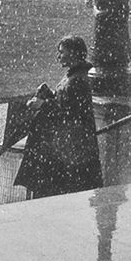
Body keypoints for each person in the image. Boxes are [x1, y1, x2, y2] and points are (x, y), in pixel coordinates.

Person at [14, 35, 103, 198]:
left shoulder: (78, 79)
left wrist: (42, 104)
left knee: (61, 191)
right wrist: (50, 94)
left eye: (62, 52)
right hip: (71, 148)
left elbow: (70, 113)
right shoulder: (77, 74)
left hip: (71, 150)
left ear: (74, 53)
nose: (58, 56)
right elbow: (67, 103)